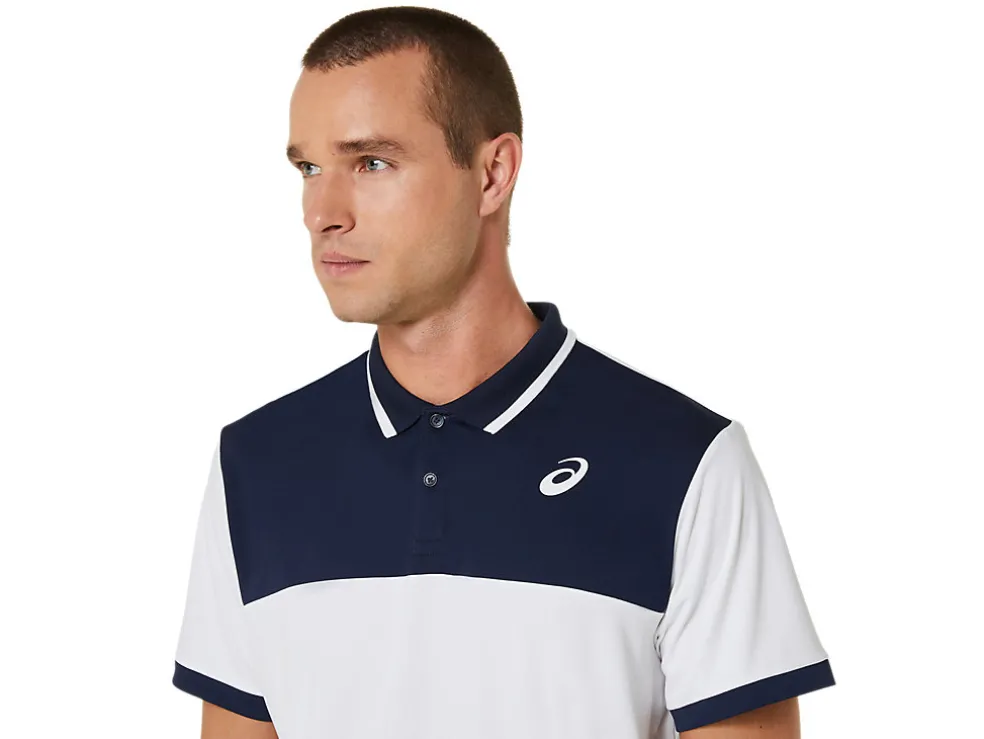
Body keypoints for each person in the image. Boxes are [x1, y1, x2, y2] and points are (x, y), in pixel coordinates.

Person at [170, 6, 835, 738]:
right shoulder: (256, 465)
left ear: (492, 174)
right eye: (309, 168)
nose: (322, 212)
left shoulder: (687, 463)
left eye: (372, 162)